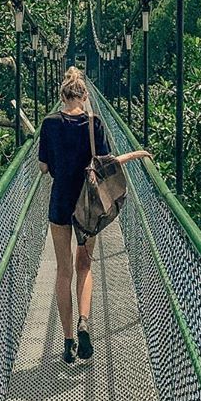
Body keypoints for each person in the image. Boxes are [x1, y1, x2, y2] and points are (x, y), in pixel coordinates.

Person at [38, 67, 153, 364]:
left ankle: (67, 342)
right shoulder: (94, 123)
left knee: (63, 272)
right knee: (84, 265)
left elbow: (43, 168)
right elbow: (107, 164)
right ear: (85, 96)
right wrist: (136, 154)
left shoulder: (49, 124)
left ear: (62, 95)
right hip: (88, 205)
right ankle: (85, 322)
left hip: (61, 203)